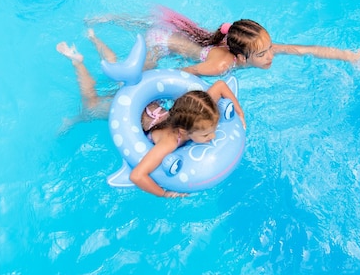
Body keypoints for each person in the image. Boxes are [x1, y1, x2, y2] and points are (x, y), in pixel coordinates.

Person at [56, 35, 246, 198]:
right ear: (184, 130)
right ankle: (77, 62)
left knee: (126, 76)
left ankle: (94, 39)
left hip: (149, 103)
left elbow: (220, 85)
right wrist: (163, 193)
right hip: (132, 112)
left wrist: (240, 112)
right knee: (91, 106)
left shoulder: (201, 113)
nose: (212, 137)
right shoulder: (170, 142)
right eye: (206, 135)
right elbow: (137, 175)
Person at [86, 5, 360, 76]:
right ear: (240, 58)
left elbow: (303, 49)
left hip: (181, 39)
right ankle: (103, 27)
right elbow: (178, 74)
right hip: (160, 43)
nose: (271, 56)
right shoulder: (220, 65)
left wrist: (351, 57)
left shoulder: (252, 48)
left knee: (144, 24)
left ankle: (112, 17)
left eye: (269, 49)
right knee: (137, 75)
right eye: (263, 55)